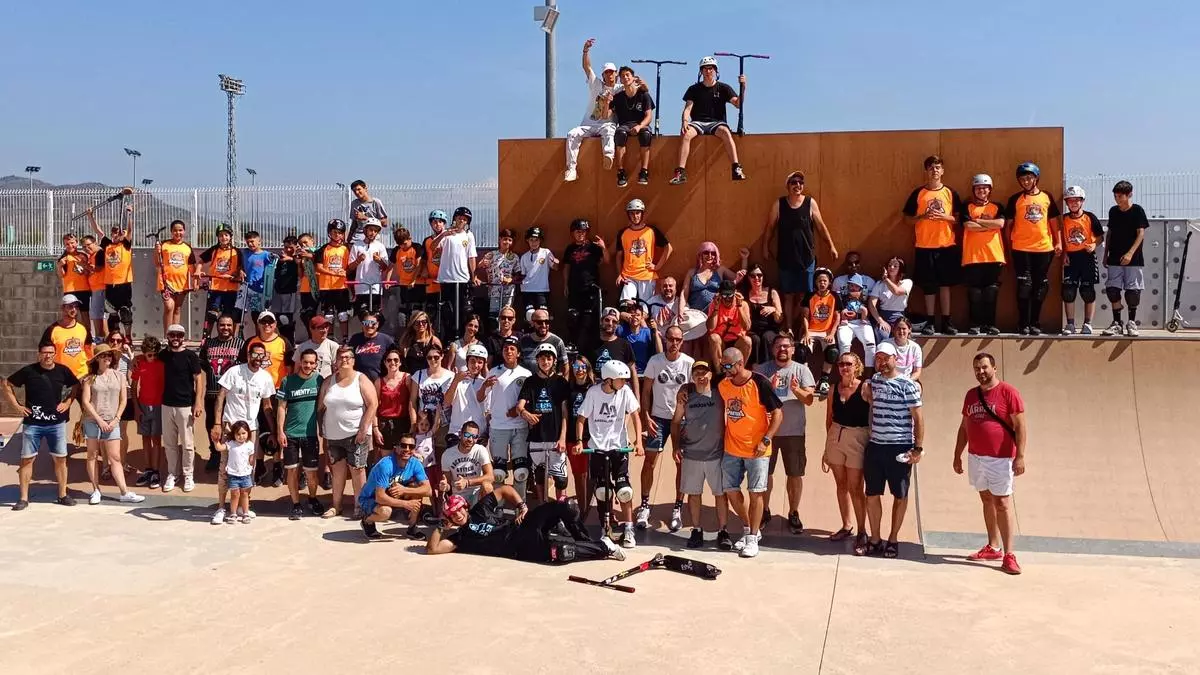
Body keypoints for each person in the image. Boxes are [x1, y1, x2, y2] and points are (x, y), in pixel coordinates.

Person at [953, 352, 1026, 575]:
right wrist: (957, 454)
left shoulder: (1008, 392)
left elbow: (1020, 426)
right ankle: (993, 546)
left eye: (984, 367)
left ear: (994, 368)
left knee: (1002, 503)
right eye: (977, 368)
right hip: (976, 457)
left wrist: (1020, 456)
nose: (981, 372)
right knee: (986, 499)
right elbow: (964, 427)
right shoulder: (971, 395)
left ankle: (1009, 554)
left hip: (1001, 458)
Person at [426, 487, 626, 563]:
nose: (458, 515)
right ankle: (603, 547)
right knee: (562, 552)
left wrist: (521, 506)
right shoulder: (459, 539)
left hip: (522, 526)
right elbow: (433, 549)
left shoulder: (480, 509)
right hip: (521, 549)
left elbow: (505, 489)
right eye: (453, 514)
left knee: (564, 506)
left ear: (465, 506)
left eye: (459, 509)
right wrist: (441, 526)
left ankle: (587, 541)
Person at [717, 347, 783, 559]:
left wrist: (766, 439)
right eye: (723, 365)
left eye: (729, 365)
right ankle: (748, 528)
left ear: (740, 363)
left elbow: (778, 413)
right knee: (731, 491)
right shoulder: (723, 384)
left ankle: (753, 538)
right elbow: (700, 383)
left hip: (757, 449)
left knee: (756, 492)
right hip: (732, 448)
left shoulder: (759, 382)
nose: (725, 369)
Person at [861, 341, 924, 559]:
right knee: (871, 494)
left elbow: (918, 418)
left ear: (895, 358)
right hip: (876, 445)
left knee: (900, 495)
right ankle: (875, 538)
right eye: (878, 358)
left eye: (886, 358)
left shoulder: (908, 385)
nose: (882, 362)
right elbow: (869, 399)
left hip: (900, 446)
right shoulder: (874, 381)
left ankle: (893, 538)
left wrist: (917, 448)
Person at [3, 341, 80, 510]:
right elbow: (6, 384)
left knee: (60, 459)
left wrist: (68, 402)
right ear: (39, 354)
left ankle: (62, 495)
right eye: (44, 352)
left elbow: (75, 385)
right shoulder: (29, 371)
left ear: (55, 354)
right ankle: (23, 498)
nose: (47, 355)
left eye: (50, 352)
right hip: (33, 424)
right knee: (27, 459)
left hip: (56, 423)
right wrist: (17, 406)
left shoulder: (63, 370)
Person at [577, 360, 643, 548]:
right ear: (609, 380)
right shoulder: (593, 393)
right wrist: (580, 441)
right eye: (621, 379)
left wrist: (638, 442)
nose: (624, 382)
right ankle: (605, 528)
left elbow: (636, 416)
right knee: (602, 491)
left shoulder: (625, 392)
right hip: (598, 449)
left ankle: (629, 529)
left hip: (618, 448)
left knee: (624, 491)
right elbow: (581, 418)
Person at [754, 332, 816, 534]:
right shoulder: (761, 370)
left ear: (793, 349)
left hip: (794, 432)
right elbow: (753, 398)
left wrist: (796, 390)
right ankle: (764, 511)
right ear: (773, 349)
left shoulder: (802, 370)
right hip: (767, 433)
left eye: (786, 346)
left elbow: (809, 399)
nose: (782, 349)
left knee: (795, 475)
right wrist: (768, 390)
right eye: (778, 346)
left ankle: (793, 512)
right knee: (765, 475)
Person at [763, 171, 839, 332]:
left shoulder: (810, 203)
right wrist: (765, 246)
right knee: (788, 296)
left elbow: (821, 227)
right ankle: (789, 328)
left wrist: (831, 246)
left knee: (804, 296)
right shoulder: (779, 204)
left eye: (800, 182)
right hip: (786, 258)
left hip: (807, 258)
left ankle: (802, 329)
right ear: (787, 186)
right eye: (794, 182)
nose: (798, 185)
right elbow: (770, 228)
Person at [210, 342, 276, 525]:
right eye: (255, 354)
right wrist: (217, 423)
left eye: (261, 355)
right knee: (225, 468)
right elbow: (221, 396)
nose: (258, 358)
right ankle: (221, 508)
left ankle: (242, 507)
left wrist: (273, 431)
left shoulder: (265, 377)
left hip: (251, 430)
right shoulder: (234, 371)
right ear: (248, 355)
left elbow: (267, 406)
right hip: (230, 427)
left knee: (248, 468)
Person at [671, 359, 732, 550]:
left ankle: (723, 531)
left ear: (710, 375)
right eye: (697, 373)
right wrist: (675, 446)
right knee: (694, 494)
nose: (701, 376)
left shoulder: (720, 393)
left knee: (720, 495)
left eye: (704, 372)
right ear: (692, 377)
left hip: (716, 455)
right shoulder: (685, 396)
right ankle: (696, 530)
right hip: (691, 455)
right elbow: (675, 421)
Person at [637, 325, 693, 532]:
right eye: (671, 339)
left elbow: (695, 393)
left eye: (678, 339)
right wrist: (646, 417)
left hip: (681, 420)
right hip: (658, 419)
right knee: (649, 461)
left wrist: (691, 420)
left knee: (681, 464)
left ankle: (677, 508)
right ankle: (644, 506)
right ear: (665, 339)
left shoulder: (689, 363)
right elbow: (646, 391)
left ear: (682, 342)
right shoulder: (655, 361)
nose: (674, 343)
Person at [903, 155, 963, 335]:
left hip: (946, 246)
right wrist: (922, 217)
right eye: (931, 168)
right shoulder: (918, 193)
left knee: (945, 284)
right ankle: (930, 322)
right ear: (926, 171)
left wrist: (944, 217)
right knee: (929, 286)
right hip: (924, 246)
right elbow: (907, 219)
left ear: (942, 171)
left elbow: (959, 219)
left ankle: (946, 321)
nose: (934, 170)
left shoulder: (950, 193)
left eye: (937, 167)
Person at [318, 345, 378, 519]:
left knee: (358, 471)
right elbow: (321, 407)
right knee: (337, 472)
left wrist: (363, 429)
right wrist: (322, 428)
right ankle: (336, 506)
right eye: (340, 357)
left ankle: (360, 506)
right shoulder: (328, 381)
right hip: (333, 435)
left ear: (353, 360)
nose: (344, 360)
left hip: (356, 434)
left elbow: (373, 404)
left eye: (347, 357)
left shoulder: (361, 379)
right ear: (335, 361)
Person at [80, 344, 144, 505]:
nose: (107, 358)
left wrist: (116, 419)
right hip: (92, 421)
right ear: (97, 359)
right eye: (103, 355)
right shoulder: (89, 378)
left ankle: (124, 492)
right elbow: (86, 401)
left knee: (115, 457)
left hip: (112, 421)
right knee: (92, 455)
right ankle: (96, 490)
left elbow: (123, 400)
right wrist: (99, 420)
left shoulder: (119, 376)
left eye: (109, 355)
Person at [1005, 162, 1062, 336]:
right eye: (1022, 179)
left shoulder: (1046, 197)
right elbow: (1008, 225)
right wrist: (1008, 246)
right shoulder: (1015, 199)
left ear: (1036, 178)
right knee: (1024, 285)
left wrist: (1058, 242)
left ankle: (1035, 322)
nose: (1026, 181)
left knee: (1040, 285)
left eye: (1029, 178)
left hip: (1044, 248)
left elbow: (1054, 222)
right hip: (1021, 248)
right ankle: (1023, 323)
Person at [670, 56, 746, 184]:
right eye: (704, 69)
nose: (708, 71)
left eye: (710, 68)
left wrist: (743, 87)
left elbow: (738, 104)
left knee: (726, 132)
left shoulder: (724, 88)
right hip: (698, 122)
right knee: (686, 134)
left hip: (717, 122)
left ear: (715, 70)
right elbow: (688, 108)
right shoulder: (693, 89)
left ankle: (736, 168)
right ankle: (680, 173)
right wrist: (684, 122)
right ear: (701, 71)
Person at [822, 351, 870, 552]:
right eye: (841, 364)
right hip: (836, 436)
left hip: (858, 437)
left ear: (856, 366)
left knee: (856, 487)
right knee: (841, 484)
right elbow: (829, 417)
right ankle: (846, 525)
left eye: (848, 364)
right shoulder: (834, 388)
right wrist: (827, 446)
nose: (844, 367)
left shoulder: (865, 388)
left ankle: (862, 531)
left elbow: (873, 416)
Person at [240, 311, 294, 487]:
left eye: (270, 322)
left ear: (275, 324)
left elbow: (290, 368)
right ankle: (260, 465)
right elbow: (243, 366)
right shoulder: (251, 342)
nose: (267, 325)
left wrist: (288, 390)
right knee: (257, 428)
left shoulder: (283, 342)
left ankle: (277, 465)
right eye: (263, 322)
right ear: (258, 324)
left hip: (277, 391)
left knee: (277, 428)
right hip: (254, 391)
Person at [517, 343, 572, 503]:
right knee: (539, 477)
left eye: (549, 358)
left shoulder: (561, 382)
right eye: (542, 358)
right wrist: (526, 413)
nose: (545, 362)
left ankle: (560, 509)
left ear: (554, 360)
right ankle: (542, 507)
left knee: (560, 479)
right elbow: (520, 406)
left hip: (555, 437)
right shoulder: (530, 382)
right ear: (537, 360)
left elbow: (564, 412)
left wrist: (562, 438)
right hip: (537, 437)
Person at [276, 349, 325, 519]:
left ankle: (312, 499)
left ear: (316, 364)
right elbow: (281, 407)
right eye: (305, 362)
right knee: (292, 471)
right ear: (300, 362)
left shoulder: (319, 380)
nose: (308, 365)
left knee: (311, 472)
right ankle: (296, 504)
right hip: (290, 434)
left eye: (312, 363)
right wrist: (280, 431)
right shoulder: (287, 381)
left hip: (310, 435)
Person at [481, 337, 532, 498]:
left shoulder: (526, 374)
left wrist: (517, 410)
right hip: (498, 427)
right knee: (498, 473)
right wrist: (485, 386)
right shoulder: (494, 372)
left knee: (521, 471)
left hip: (520, 426)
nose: (508, 351)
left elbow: (530, 399)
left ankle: (520, 507)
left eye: (512, 349)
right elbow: (482, 397)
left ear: (518, 353)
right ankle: (499, 507)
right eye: (505, 349)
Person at [563, 38, 619, 182]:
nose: (609, 75)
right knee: (572, 134)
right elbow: (587, 67)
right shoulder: (596, 84)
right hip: (589, 124)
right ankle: (571, 169)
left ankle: (608, 156)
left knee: (609, 131)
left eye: (612, 72)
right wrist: (585, 51)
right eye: (606, 72)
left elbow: (635, 87)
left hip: (607, 124)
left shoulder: (620, 89)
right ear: (603, 75)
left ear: (616, 73)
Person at [158, 324, 204, 493]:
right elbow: (147, 358)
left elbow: (198, 379)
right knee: (169, 443)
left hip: (185, 405)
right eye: (172, 335)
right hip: (166, 404)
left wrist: (198, 402)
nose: (176, 338)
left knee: (187, 444)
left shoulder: (190, 356)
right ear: (168, 336)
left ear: (183, 337)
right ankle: (173, 473)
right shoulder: (163, 355)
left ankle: (188, 475)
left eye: (179, 335)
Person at [359, 433, 431, 540]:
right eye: (403, 445)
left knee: (416, 490)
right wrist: (406, 504)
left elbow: (428, 490)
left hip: (393, 494)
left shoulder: (415, 463)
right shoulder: (386, 465)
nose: (407, 449)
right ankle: (367, 521)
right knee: (385, 512)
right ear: (396, 447)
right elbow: (380, 497)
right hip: (371, 498)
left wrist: (404, 490)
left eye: (411, 447)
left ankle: (412, 528)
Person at [960, 174, 1007, 336]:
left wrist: (978, 221)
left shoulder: (997, 207)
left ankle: (990, 325)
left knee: (991, 292)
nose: (982, 191)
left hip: (993, 255)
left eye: (985, 188)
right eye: (978, 188)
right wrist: (990, 225)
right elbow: (968, 225)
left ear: (990, 190)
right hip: (972, 256)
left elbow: (1000, 224)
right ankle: (975, 324)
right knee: (975, 292)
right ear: (974, 190)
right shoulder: (967, 207)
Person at [1102, 180, 1150, 337]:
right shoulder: (1113, 211)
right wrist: (1105, 254)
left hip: (1133, 260)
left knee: (1132, 293)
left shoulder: (1137, 211)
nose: (1117, 199)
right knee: (1112, 290)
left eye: (1120, 196)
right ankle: (1117, 323)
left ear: (1129, 195)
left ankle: (1131, 323)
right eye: (1115, 196)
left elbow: (1141, 234)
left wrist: (1130, 253)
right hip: (1114, 257)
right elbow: (1110, 233)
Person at [680, 242, 748, 348]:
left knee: (710, 343)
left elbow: (738, 279)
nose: (710, 256)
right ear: (700, 254)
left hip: (715, 314)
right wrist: (681, 310)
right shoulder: (692, 272)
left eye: (713, 253)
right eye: (706, 252)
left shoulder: (720, 270)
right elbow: (684, 293)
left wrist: (744, 259)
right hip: (696, 315)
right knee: (697, 346)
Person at [200, 315, 245, 471]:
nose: (225, 328)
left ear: (233, 327)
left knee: (233, 425)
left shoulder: (240, 344)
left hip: (232, 396)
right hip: (212, 393)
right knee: (211, 424)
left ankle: (233, 454)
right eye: (222, 325)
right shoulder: (208, 343)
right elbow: (203, 365)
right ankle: (215, 453)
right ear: (217, 326)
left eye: (228, 325)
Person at [1059, 186, 1105, 335]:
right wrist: (1064, 253)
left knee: (1087, 291)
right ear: (1066, 202)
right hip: (1071, 258)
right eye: (1070, 200)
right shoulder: (1064, 219)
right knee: (1068, 291)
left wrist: (1094, 244)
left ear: (1082, 201)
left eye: (1076, 200)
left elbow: (1100, 236)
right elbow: (1061, 238)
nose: (1073, 203)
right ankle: (1070, 324)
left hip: (1087, 257)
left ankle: (1088, 324)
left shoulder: (1090, 217)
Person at [86, 204, 135, 337]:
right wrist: (90, 216)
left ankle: (128, 337)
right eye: (113, 232)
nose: (115, 234)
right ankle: (114, 338)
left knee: (125, 312)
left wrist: (129, 214)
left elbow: (130, 230)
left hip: (124, 284)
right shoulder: (107, 244)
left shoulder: (125, 244)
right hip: (110, 285)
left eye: (118, 232)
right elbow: (98, 231)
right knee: (112, 314)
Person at [561, 219, 608, 353]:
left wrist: (603, 247)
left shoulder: (593, 247)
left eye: (583, 232)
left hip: (591, 289)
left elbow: (607, 260)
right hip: (575, 288)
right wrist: (565, 284)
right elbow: (566, 267)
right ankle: (573, 344)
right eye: (578, 232)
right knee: (573, 318)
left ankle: (589, 349)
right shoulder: (570, 249)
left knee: (589, 320)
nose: (581, 234)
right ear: (573, 233)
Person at [433, 207, 479, 341]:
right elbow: (433, 247)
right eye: (459, 218)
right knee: (447, 311)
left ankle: (462, 338)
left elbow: (471, 257)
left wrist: (474, 276)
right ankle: (448, 339)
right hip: (446, 279)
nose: (461, 221)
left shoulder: (469, 235)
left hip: (462, 279)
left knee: (463, 311)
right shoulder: (446, 233)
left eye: (464, 219)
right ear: (455, 219)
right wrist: (443, 235)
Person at [615, 199, 672, 304]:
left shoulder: (651, 231)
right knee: (626, 304)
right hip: (628, 276)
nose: (635, 216)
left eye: (638, 213)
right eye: (632, 213)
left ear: (642, 214)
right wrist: (619, 274)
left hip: (647, 276)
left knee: (646, 306)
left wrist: (657, 266)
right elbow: (619, 255)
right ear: (628, 215)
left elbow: (668, 248)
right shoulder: (623, 233)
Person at [153, 220, 199, 338]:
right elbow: (157, 263)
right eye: (175, 230)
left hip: (182, 284)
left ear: (184, 231)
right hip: (166, 283)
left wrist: (195, 282)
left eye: (180, 230)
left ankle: (175, 337)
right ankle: (167, 336)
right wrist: (156, 251)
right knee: (169, 307)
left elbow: (192, 267)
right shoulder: (164, 245)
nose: (178, 233)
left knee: (177, 309)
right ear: (171, 231)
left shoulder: (187, 247)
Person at [611, 66, 655, 187]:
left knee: (646, 135)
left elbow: (649, 116)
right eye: (622, 76)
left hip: (641, 124)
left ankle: (644, 171)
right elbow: (606, 115)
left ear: (633, 77)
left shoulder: (644, 95)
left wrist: (639, 126)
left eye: (627, 75)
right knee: (620, 134)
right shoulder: (618, 97)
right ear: (620, 80)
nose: (625, 78)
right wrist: (605, 102)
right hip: (625, 125)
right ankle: (621, 172)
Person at [130, 337, 165, 490]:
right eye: (150, 355)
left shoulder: (162, 364)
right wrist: (136, 408)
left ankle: (156, 471)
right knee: (145, 438)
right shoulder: (140, 364)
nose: (153, 357)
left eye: (155, 354)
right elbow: (133, 387)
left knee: (156, 439)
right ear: (144, 353)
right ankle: (148, 469)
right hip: (143, 405)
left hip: (158, 406)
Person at [802, 268, 842, 398]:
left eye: (825, 281)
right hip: (811, 330)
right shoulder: (810, 296)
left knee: (833, 352)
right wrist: (806, 333)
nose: (822, 283)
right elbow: (805, 317)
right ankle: (804, 378)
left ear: (829, 282)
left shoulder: (834, 296)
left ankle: (824, 380)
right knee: (801, 350)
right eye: (819, 281)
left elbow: (837, 317)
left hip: (827, 331)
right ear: (816, 282)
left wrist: (832, 334)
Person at [411, 342, 454, 464]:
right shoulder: (419, 375)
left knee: (441, 455)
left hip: (443, 421)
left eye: (436, 357)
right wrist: (414, 423)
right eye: (429, 357)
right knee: (422, 456)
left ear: (442, 356)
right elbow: (412, 401)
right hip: (424, 421)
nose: (433, 360)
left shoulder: (451, 376)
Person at [199, 224, 244, 338]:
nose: (224, 237)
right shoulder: (214, 250)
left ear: (230, 237)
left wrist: (236, 274)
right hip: (215, 288)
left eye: (226, 235)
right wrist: (198, 270)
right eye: (221, 235)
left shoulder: (236, 252)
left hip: (231, 289)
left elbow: (240, 268)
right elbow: (201, 260)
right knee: (211, 315)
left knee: (229, 317)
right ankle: (206, 338)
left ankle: (230, 339)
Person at [443, 345, 490, 452]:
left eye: (480, 362)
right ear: (467, 361)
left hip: (478, 435)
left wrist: (486, 433)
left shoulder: (486, 383)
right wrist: (456, 380)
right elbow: (447, 402)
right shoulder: (455, 379)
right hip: (457, 433)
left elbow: (488, 411)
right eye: (472, 361)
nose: (476, 365)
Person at [565, 352, 595, 520]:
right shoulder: (568, 388)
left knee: (591, 475)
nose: (579, 370)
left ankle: (588, 508)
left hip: (591, 436)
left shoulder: (594, 388)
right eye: (576, 366)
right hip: (572, 437)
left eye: (582, 366)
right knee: (579, 474)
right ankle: (582, 512)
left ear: (587, 368)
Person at [313, 219, 353, 342]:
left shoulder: (346, 249)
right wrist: (334, 273)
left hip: (341, 287)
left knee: (343, 315)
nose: (337, 235)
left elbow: (349, 267)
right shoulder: (324, 249)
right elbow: (318, 267)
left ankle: (345, 339)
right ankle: (329, 338)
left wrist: (345, 272)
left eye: (340, 232)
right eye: (334, 232)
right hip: (326, 287)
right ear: (329, 233)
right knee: (328, 316)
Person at [440, 420, 495, 506]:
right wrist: (445, 486)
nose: (470, 439)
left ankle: (483, 512)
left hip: (477, 493)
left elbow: (490, 477)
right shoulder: (447, 454)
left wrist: (467, 482)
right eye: (467, 435)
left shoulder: (480, 450)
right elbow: (448, 483)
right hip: (458, 496)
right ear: (460, 434)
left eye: (474, 437)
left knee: (487, 486)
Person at [373, 348, 415, 457]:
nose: (393, 362)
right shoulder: (379, 382)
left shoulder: (407, 378)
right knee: (386, 459)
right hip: (385, 424)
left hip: (403, 423)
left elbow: (413, 401)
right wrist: (375, 428)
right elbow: (374, 407)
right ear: (385, 362)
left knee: (404, 457)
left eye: (396, 360)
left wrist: (413, 424)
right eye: (389, 360)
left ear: (400, 362)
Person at [41, 295, 93, 380]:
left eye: (76, 306)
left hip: (82, 376)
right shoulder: (52, 330)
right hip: (60, 377)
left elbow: (89, 353)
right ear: (62, 308)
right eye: (70, 306)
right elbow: (44, 355)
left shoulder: (84, 329)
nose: (74, 309)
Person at [348, 220, 390, 324]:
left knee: (376, 316)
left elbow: (385, 267)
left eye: (376, 231)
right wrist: (358, 260)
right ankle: (365, 333)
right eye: (371, 230)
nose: (373, 233)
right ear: (365, 230)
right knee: (363, 315)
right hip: (361, 287)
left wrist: (379, 261)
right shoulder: (357, 245)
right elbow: (350, 267)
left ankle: (373, 333)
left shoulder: (380, 246)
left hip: (375, 287)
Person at [590, 307, 640, 393]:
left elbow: (633, 373)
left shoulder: (624, 344)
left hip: (618, 393)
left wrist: (637, 398)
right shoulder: (590, 343)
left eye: (614, 321)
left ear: (618, 325)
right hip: (597, 393)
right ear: (601, 321)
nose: (610, 323)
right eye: (607, 320)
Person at [214, 421, 256, 524]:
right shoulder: (231, 444)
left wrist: (251, 466)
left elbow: (251, 458)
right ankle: (233, 514)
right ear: (234, 434)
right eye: (238, 434)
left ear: (248, 433)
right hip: (233, 475)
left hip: (245, 475)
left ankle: (245, 513)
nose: (241, 436)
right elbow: (219, 448)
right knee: (234, 494)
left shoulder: (250, 445)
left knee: (245, 494)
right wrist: (216, 441)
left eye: (243, 433)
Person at [476, 228, 519, 326]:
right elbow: (477, 267)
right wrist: (480, 267)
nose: (507, 242)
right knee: (494, 317)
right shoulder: (491, 254)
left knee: (506, 316)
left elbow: (519, 274)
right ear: (500, 239)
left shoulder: (514, 257)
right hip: (494, 291)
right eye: (505, 239)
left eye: (510, 240)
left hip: (508, 292)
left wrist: (511, 279)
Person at [744, 263, 784, 365]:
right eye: (753, 276)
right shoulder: (745, 293)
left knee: (767, 337)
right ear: (748, 278)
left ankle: (768, 367)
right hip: (752, 330)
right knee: (755, 339)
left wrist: (773, 309)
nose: (756, 278)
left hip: (769, 329)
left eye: (759, 275)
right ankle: (755, 368)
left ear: (763, 276)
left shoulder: (772, 292)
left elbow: (780, 319)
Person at [386, 226, 424, 333]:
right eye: (400, 245)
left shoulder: (417, 247)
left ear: (410, 238)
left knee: (416, 311)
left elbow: (419, 265)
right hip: (403, 284)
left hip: (416, 284)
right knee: (403, 312)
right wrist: (388, 281)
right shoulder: (397, 250)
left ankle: (417, 333)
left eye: (405, 244)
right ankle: (405, 333)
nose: (403, 246)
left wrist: (414, 280)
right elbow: (391, 266)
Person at [707, 280, 752, 366]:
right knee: (714, 338)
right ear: (720, 295)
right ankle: (719, 371)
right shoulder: (714, 304)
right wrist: (716, 308)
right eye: (724, 295)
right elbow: (710, 328)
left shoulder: (743, 304)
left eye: (730, 295)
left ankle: (740, 369)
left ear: (735, 294)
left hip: (737, 340)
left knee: (747, 341)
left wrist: (739, 307)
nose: (727, 298)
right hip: (721, 342)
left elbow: (747, 327)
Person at [835, 275, 878, 366]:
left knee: (870, 344)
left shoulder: (863, 296)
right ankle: (844, 369)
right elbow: (840, 307)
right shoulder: (844, 296)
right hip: (846, 322)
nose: (853, 288)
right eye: (851, 285)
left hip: (861, 322)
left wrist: (859, 315)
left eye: (856, 286)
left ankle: (869, 372)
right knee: (844, 344)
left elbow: (868, 308)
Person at [517, 226, 560, 318]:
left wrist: (556, 263)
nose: (534, 243)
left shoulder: (546, 252)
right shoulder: (524, 257)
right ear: (527, 240)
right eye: (531, 240)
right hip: (527, 290)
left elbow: (555, 268)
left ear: (540, 240)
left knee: (542, 316)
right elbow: (523, 275)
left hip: (542, 290)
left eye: (536, 240)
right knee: (530, 314)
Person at [868, 257, 913, 343]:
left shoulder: (907, 282)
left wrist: (886, 280)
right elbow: (871, 304)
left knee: (900, 336)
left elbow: (897, 291)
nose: (891, 267)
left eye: (895, 266)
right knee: (883, 335)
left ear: (901, 269)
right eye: (889, 265)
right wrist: (881, 321)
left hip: (899, 316)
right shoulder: (880, 284)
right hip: (883, 316)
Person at [58, 233, 94, 333]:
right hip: (70, 290)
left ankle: (88, 335)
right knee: (70, 314)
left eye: (72, 243)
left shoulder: (83, 256)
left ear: (77, 243)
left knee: (85, 314)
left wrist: (84, 265)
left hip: (84, 289)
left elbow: (88, 273)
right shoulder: (64, 258)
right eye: (67, 244)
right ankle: (72, 334)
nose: (70, 245)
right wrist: (60, 266)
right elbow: (61, 275)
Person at [237, 230, 274, 325]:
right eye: (248, 242)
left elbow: (272, 269)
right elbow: (240, 264)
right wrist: (240, 270)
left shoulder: (266, 255)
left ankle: (260, 333)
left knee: (257, 317)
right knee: (238, 313)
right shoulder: (245, 252)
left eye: (252, 241)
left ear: (259, 241)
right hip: (246, 287)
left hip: (258, 290)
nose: (250, 244)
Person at [270, 236, 302, 342]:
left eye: (291, 247)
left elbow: (300, 272)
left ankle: (290, 342)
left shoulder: (298, 257)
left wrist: (291, 259)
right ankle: (283, 341)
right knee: (279, 319)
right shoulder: (280, 259)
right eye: (286, 247)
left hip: (290, 292)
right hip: (278, 292)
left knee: (287, 319)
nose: (288, 249)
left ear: (296, 247)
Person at [347, 311, 395, 382]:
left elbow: (395, 361)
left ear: (377, 324)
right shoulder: (355, 339)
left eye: (373, 323)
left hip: (380, 383)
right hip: (358, 382)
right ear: (362, 324)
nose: (369, 326)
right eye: (366, 323)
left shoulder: (386, 340)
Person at [616, 299, 660, 375]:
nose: (634, 317)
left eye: (637, 315)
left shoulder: (647, 332)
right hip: (625, 372)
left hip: (643, 372)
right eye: (632, 314)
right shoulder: (621, 330)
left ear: (642, 317)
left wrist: (655, 331)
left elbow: (660, 352)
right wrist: (621, 314)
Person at [519, 309, 568, 374]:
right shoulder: (524, 340)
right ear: (532, 323)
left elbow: (565, 366)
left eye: (546, 322)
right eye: (540, 322)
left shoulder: (557, 342)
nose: (544, 325)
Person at [420, 211, 447, 315]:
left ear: (444, 223)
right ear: (431, 224)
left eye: (440, 222)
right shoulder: (427, 241)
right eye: (434, 222)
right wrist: (424, 270)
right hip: (432, 281)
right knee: (431, 311)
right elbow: (424, 259)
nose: (437, 224)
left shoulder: (449, 239)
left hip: (446, 281)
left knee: (446, 312)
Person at [399, 310, 442, 374]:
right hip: (411, 375)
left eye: (424, 322)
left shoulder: (434, 341)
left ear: (427, 324)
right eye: (417, 322)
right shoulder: (406, 341)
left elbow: (439, 362)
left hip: (428, 376)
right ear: (412, 324)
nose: (421, 324)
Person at [881, 317, 923, 383]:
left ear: (909, 330)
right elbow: (880, 367)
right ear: (894, 329)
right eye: (898, 328)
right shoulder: (886, 344)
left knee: (918, 387)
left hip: (908, 380)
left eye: (904, 328)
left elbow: (917, 371)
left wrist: (908, 381)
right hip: (889, 380)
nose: (901, 331)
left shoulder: (915, 347)